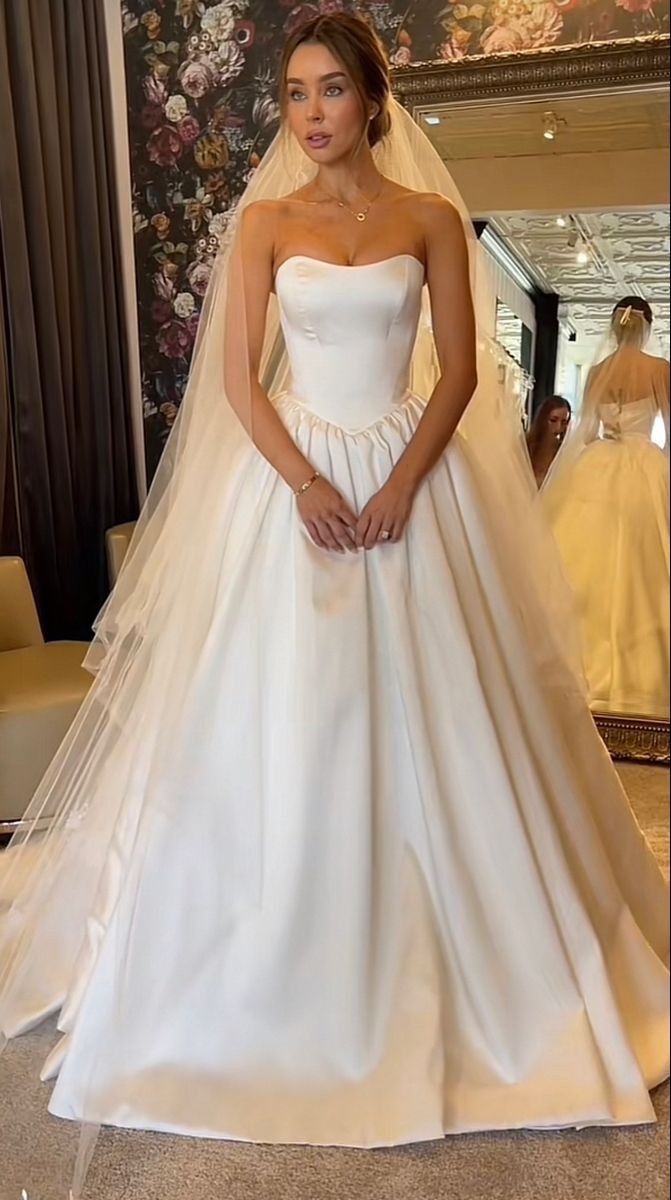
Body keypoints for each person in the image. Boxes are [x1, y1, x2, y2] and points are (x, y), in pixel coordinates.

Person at [0, 15, 668, 1182]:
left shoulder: (425, 220)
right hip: (292, 489)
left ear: (371, 99)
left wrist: (403, 485)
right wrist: (308, 483)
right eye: (294, 94)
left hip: (410, 479)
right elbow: (238, 387)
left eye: (329, 92)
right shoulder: (263, 222)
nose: (310, 115)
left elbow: (459, 372)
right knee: (276, 722)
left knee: (455, 728)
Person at [544, 297, 670, 719]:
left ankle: (579, 670)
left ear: (615, 329)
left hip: (598, 466)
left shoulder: (598, 371)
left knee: (588, 566)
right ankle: (638, 679)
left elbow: (588, 430)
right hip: (644, 467)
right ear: (646, 328)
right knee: (642, 568)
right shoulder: (659, 370)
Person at [526, 394, 572, 487]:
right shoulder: (525, 448)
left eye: (564, 422)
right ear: (542, 420)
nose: (559, 428)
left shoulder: (564, 453)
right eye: (553, 420)